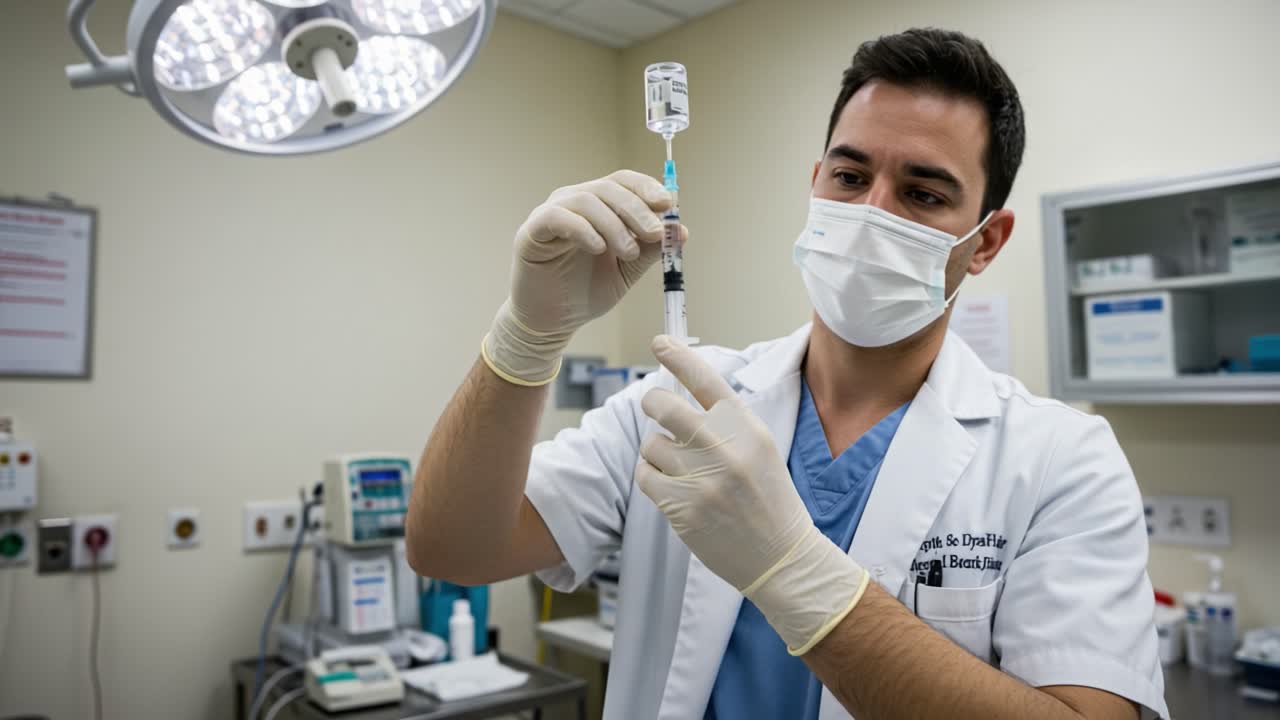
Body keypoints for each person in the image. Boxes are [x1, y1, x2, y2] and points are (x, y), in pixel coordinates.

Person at [406, 27, 1168, 720]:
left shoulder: (1062, 460)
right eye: (849, 175)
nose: (872, 211)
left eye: (923, 193)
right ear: (816, 183)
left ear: (986, 241)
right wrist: (530, 333)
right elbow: (450, 549)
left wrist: (788, 568)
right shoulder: (676, 402)